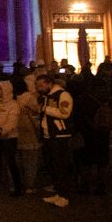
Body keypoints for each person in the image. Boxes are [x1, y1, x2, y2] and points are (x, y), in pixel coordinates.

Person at [35, 74, 73, 208]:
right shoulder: (47, 96)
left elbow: (65, 113)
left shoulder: (63, 95)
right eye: (37, 86)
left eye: (41, 85)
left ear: (49, 83)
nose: (39, 88)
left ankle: (65, 195)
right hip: (49, 136)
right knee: (53, 166)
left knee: (61, 166)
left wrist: (45, 109)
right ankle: (59, 192)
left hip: (59, 136)